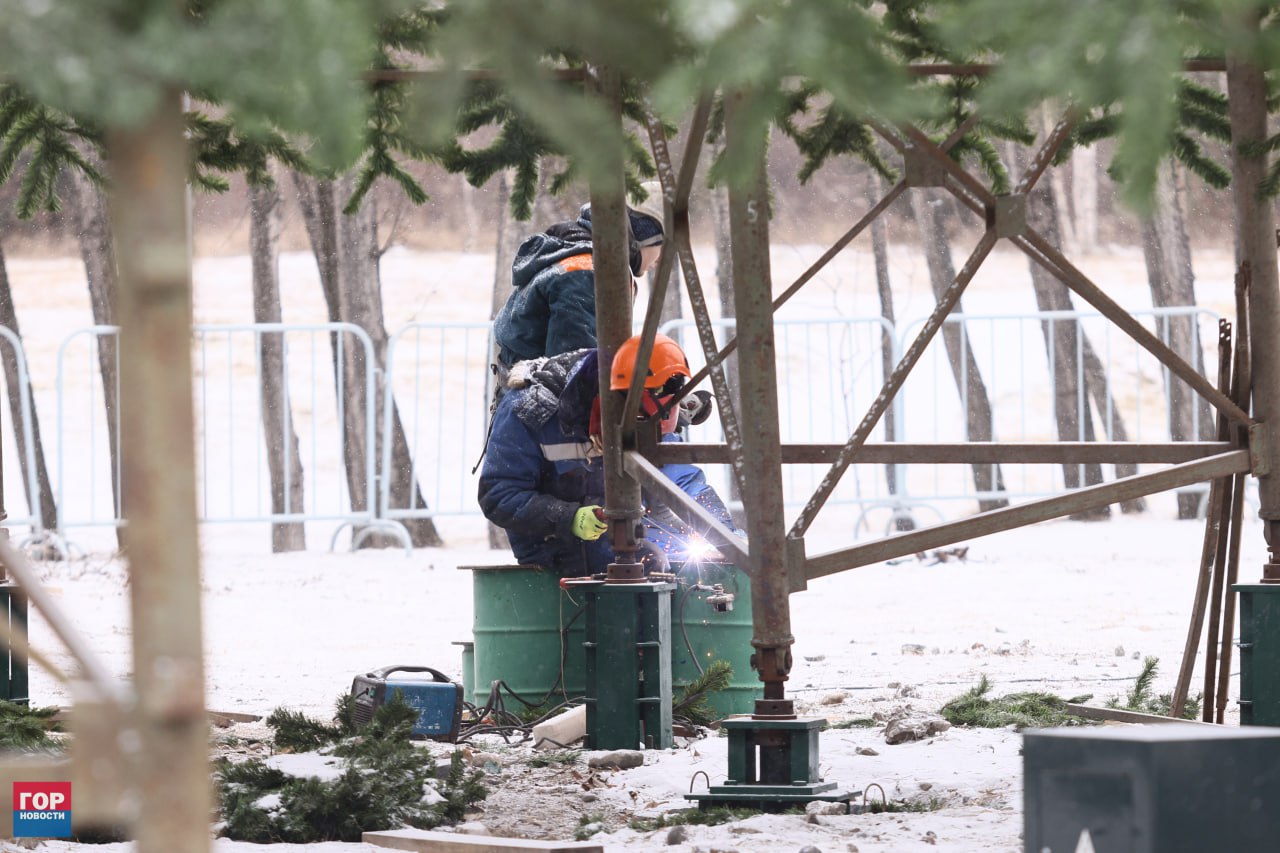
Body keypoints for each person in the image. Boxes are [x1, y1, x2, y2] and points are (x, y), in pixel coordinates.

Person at [478, 333, 736, 577]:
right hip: (552, 552)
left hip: (624, 541)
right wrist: (569, 517)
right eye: (638, 424)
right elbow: (499, 494)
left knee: (678, 567)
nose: (645, 436)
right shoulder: (528, 412)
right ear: (609, 405)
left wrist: (729, 538)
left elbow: (685, 485)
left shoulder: (648, 409)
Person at [492, 182, 667, 373]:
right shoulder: (584, 275)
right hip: (538, 398)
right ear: (642, 236)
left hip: (525, 393)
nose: (661, 259)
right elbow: (573, 376)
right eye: (662, 246)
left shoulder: (585, 260)